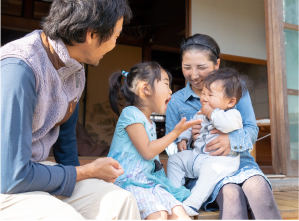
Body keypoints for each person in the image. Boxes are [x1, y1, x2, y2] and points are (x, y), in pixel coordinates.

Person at [1, 0, 141, 219]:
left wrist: (83, 175)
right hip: (7, 182)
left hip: (34, 173)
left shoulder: (75, 70)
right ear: (91, 34)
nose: (115, 44)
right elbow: (12, 175)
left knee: (121, 201)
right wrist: (88, 171)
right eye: (115, 36)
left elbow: (66, 147)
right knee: (65, 216)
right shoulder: (19, 67)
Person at [165, 34, 282, 219]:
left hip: (239, 161)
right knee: (230, 193)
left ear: (216, 64)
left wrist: (231, 140)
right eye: (187, 67)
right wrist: (187, 140)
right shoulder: (176, 101)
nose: (193, 75)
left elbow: (251, 129)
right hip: (202, 169)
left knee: (258, 188)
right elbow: (170, 148)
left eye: (201, 67)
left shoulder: (235, 88)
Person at [108, 62, 202, 220]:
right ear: (146, 89)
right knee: (159, 214)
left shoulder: (149, 122)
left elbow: (153, 161)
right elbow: (148, 151)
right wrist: (176, 133)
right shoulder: (130, 113)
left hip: (148, 182)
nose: (171, 90)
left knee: (179, 212)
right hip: (129, 182)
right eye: (166, 84)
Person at [167, 68, 250, 212]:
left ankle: (192, 204)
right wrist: (183, 139)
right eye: (203, 93)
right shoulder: (201, 113)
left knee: (208, 176)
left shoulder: (233, 115)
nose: (204, 98)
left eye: (210, 95)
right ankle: (175, 195)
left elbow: (224, 124)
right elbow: (189, 125)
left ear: (230, 102)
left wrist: (211, 113)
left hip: (219, 161)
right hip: (198, 156)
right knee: (175, 160)